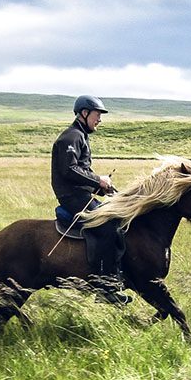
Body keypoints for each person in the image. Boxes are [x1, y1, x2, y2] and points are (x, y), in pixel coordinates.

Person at [51, 95, 132, 305]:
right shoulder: (71, 137)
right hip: (73, 198)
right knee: (109, 225)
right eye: (97, 115)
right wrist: (98, 180)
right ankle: (105, 286)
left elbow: (81, 172)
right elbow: (69, 170)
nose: (99, 120)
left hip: (82, 196)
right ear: (84, 113)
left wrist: (103, 187)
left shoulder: (80, 136)